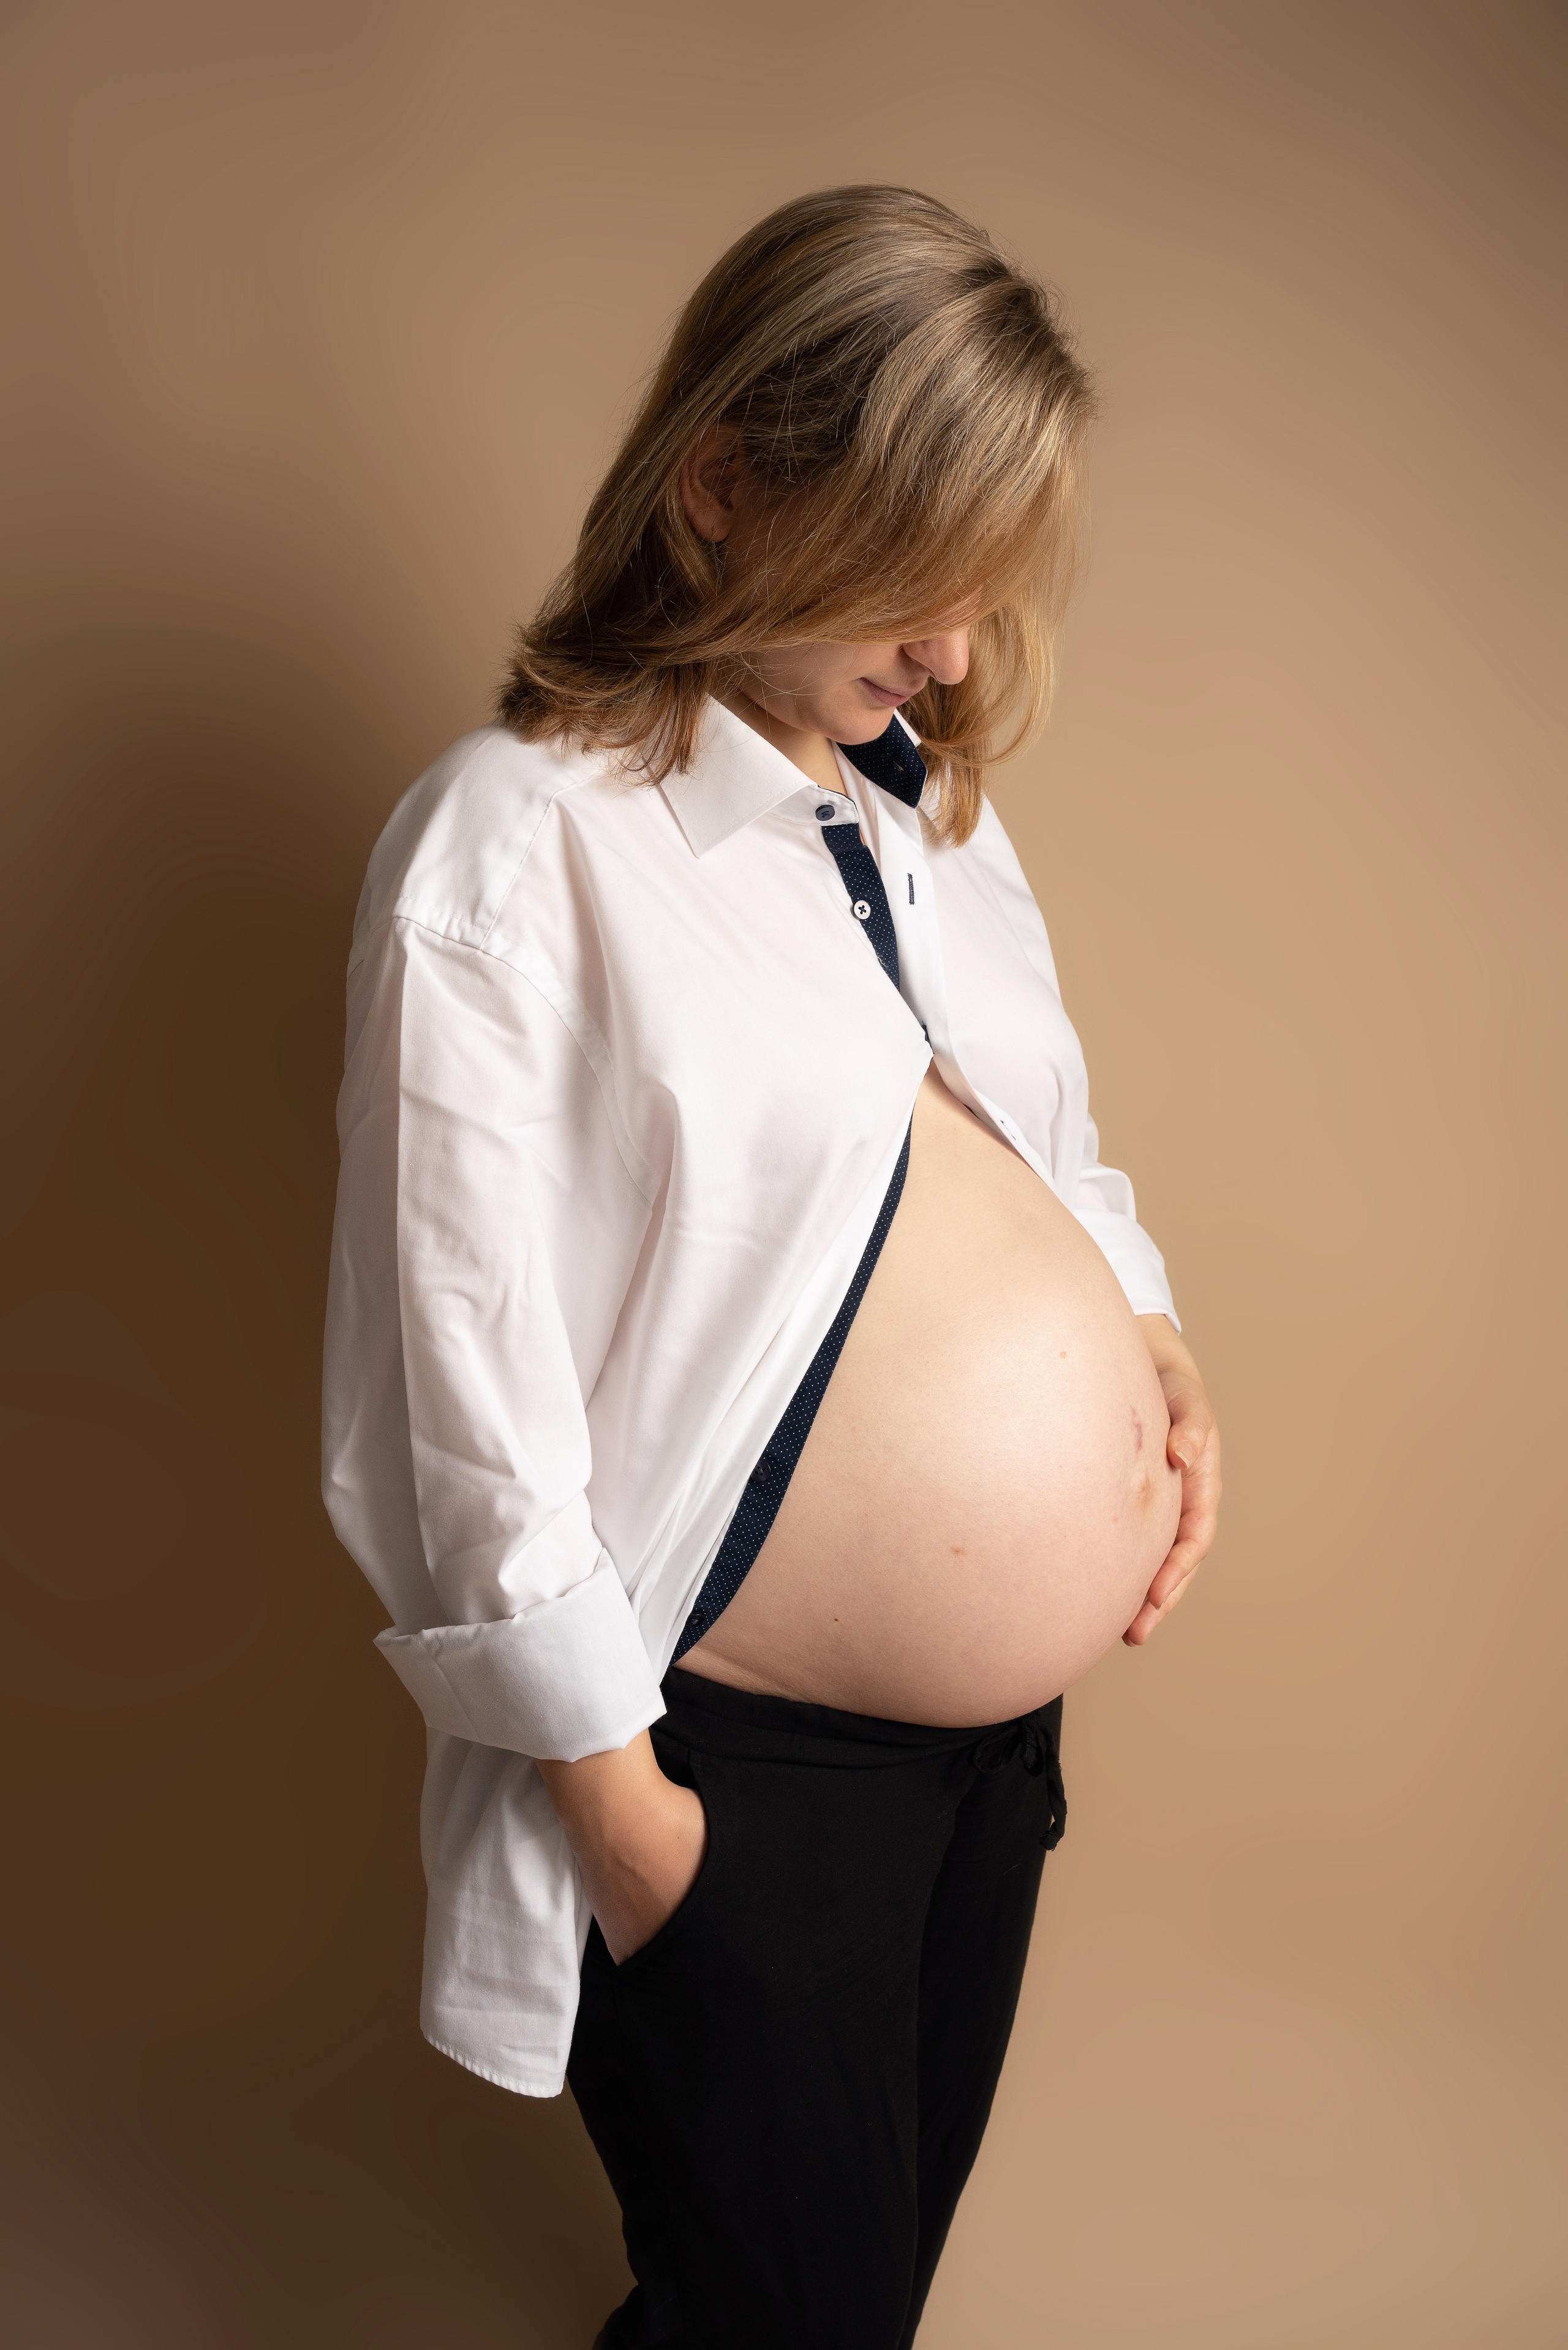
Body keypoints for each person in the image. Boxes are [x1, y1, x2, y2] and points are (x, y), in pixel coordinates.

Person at [322, 183, 1222, 2350]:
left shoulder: (923, 816)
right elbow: (463, 1391)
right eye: (925, 583)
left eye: (993, 596)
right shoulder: (516, 844)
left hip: (979, 1776)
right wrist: (635, 1835)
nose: (955, 656)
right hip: (736, 1792)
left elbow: (1041, 1136)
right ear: (725, 492)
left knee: (845, 2315)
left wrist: (1159, 1355)